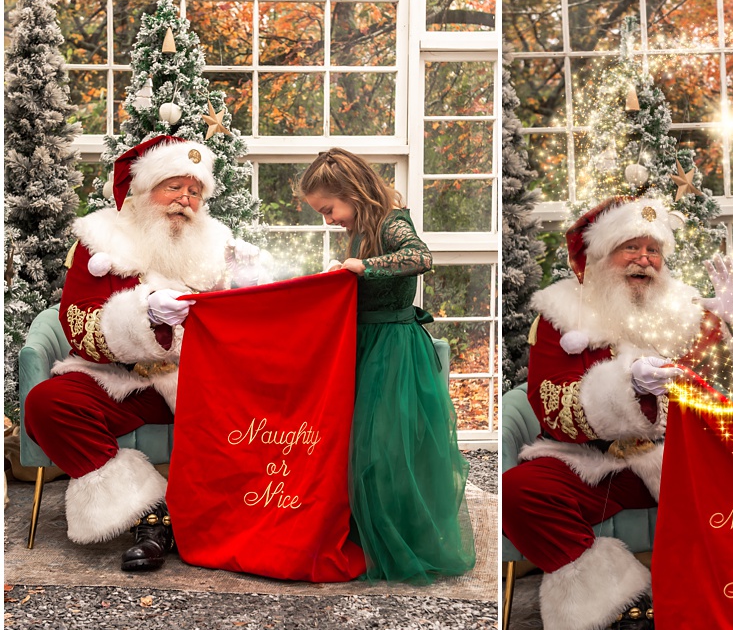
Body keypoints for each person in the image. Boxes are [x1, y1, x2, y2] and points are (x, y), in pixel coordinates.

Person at [502, 195, 733, 630]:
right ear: (599, 257)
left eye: (654, 250)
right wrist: (625, 388)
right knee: (518, 492)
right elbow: (549, 406)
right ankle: (633, 606)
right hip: (594, 459)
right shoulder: (560, 315)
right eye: (630, 247)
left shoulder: (686, 307)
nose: (644, 260)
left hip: (682, 455)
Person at [23, 135, 267, 572]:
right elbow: (78, 324)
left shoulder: (218, 244)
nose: (185, 200)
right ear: (143, 188)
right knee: (47, 404)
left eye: (195, 191)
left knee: (273, 400)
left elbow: (248, 325)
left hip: (200, 378)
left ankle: (258, 515)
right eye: (173, 186)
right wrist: (142, 315)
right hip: (125, 378)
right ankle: (150, 514)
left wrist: (248, 285)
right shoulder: (101, 241)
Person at [299, 147, 476, 584]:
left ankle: (402, 537)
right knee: (358, 443)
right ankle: (366, 532)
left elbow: (421, 257)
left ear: (354, 192)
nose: (328, 219)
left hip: (394, 351)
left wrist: (365, 266)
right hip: (364, 345)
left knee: (387, 445)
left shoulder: (392, 221)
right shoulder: (361, 228)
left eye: (329, 209)